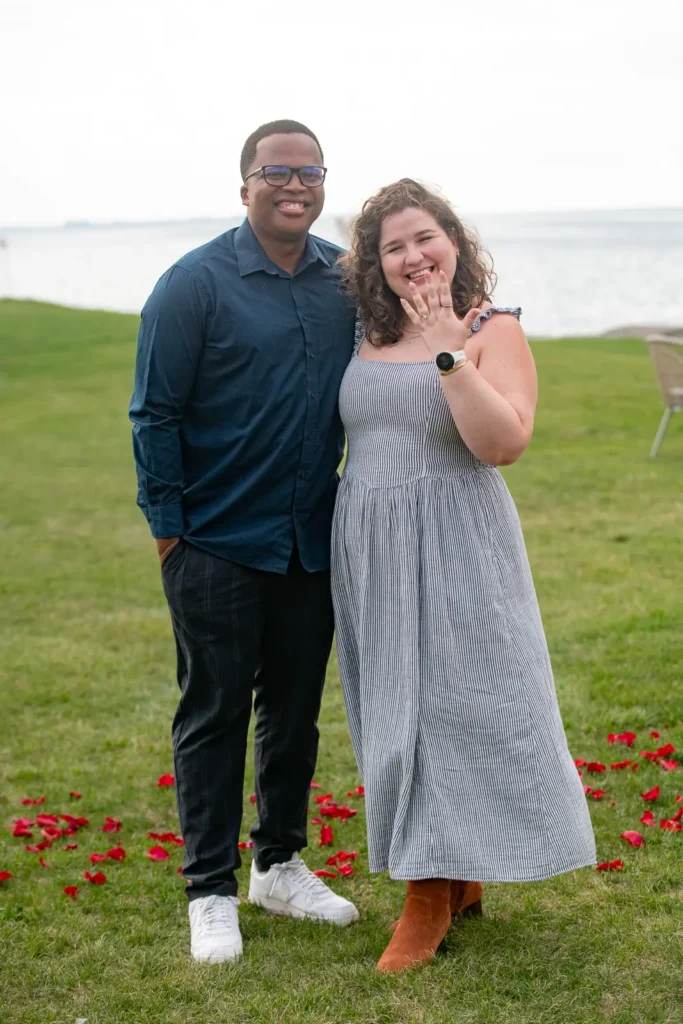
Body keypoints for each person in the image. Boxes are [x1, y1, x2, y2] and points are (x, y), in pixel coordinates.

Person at [332, 178, 596, 973]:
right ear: (374, 264)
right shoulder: (365, 331)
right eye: (393, 246)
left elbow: (502, 444)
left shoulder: (491, 329)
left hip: (456, 537)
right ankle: (457, 871)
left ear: (454, 238)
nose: (412, 257)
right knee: (391, 708)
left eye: (424, 237)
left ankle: (427, 889)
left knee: (458, 703)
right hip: (370, 541)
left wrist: (448, 351)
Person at [129, 120, 359, 964]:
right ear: (245, 188)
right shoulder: (193, 285)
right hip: (215, 542)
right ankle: (210, 889)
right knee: (215, 714)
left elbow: (421, 316)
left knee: (294, 715)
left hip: (311, 540)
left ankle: (280, 862)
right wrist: (170, 535)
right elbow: (153, 412)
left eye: (309, 172)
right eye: (276, 172)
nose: (294, 185)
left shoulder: (344, 279)